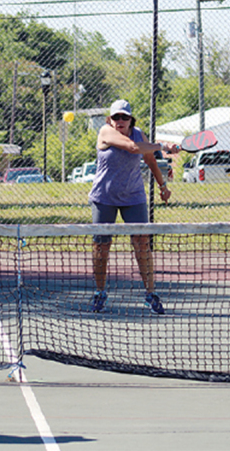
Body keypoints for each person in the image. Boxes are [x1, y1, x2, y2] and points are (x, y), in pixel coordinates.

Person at [88, 99, 179, 314]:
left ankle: (150, 293)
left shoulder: (139, 133)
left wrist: (163, 186)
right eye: (116, 117)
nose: (120, 121)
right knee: (101, 246)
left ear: (131, 120)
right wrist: (163, 146)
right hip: (104, 197)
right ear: (110, 120)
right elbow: (132, 148)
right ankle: (100, 293)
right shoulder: (105, 132)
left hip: (134, 196)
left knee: (142, 242)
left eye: (124, 117)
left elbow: (150, 161)